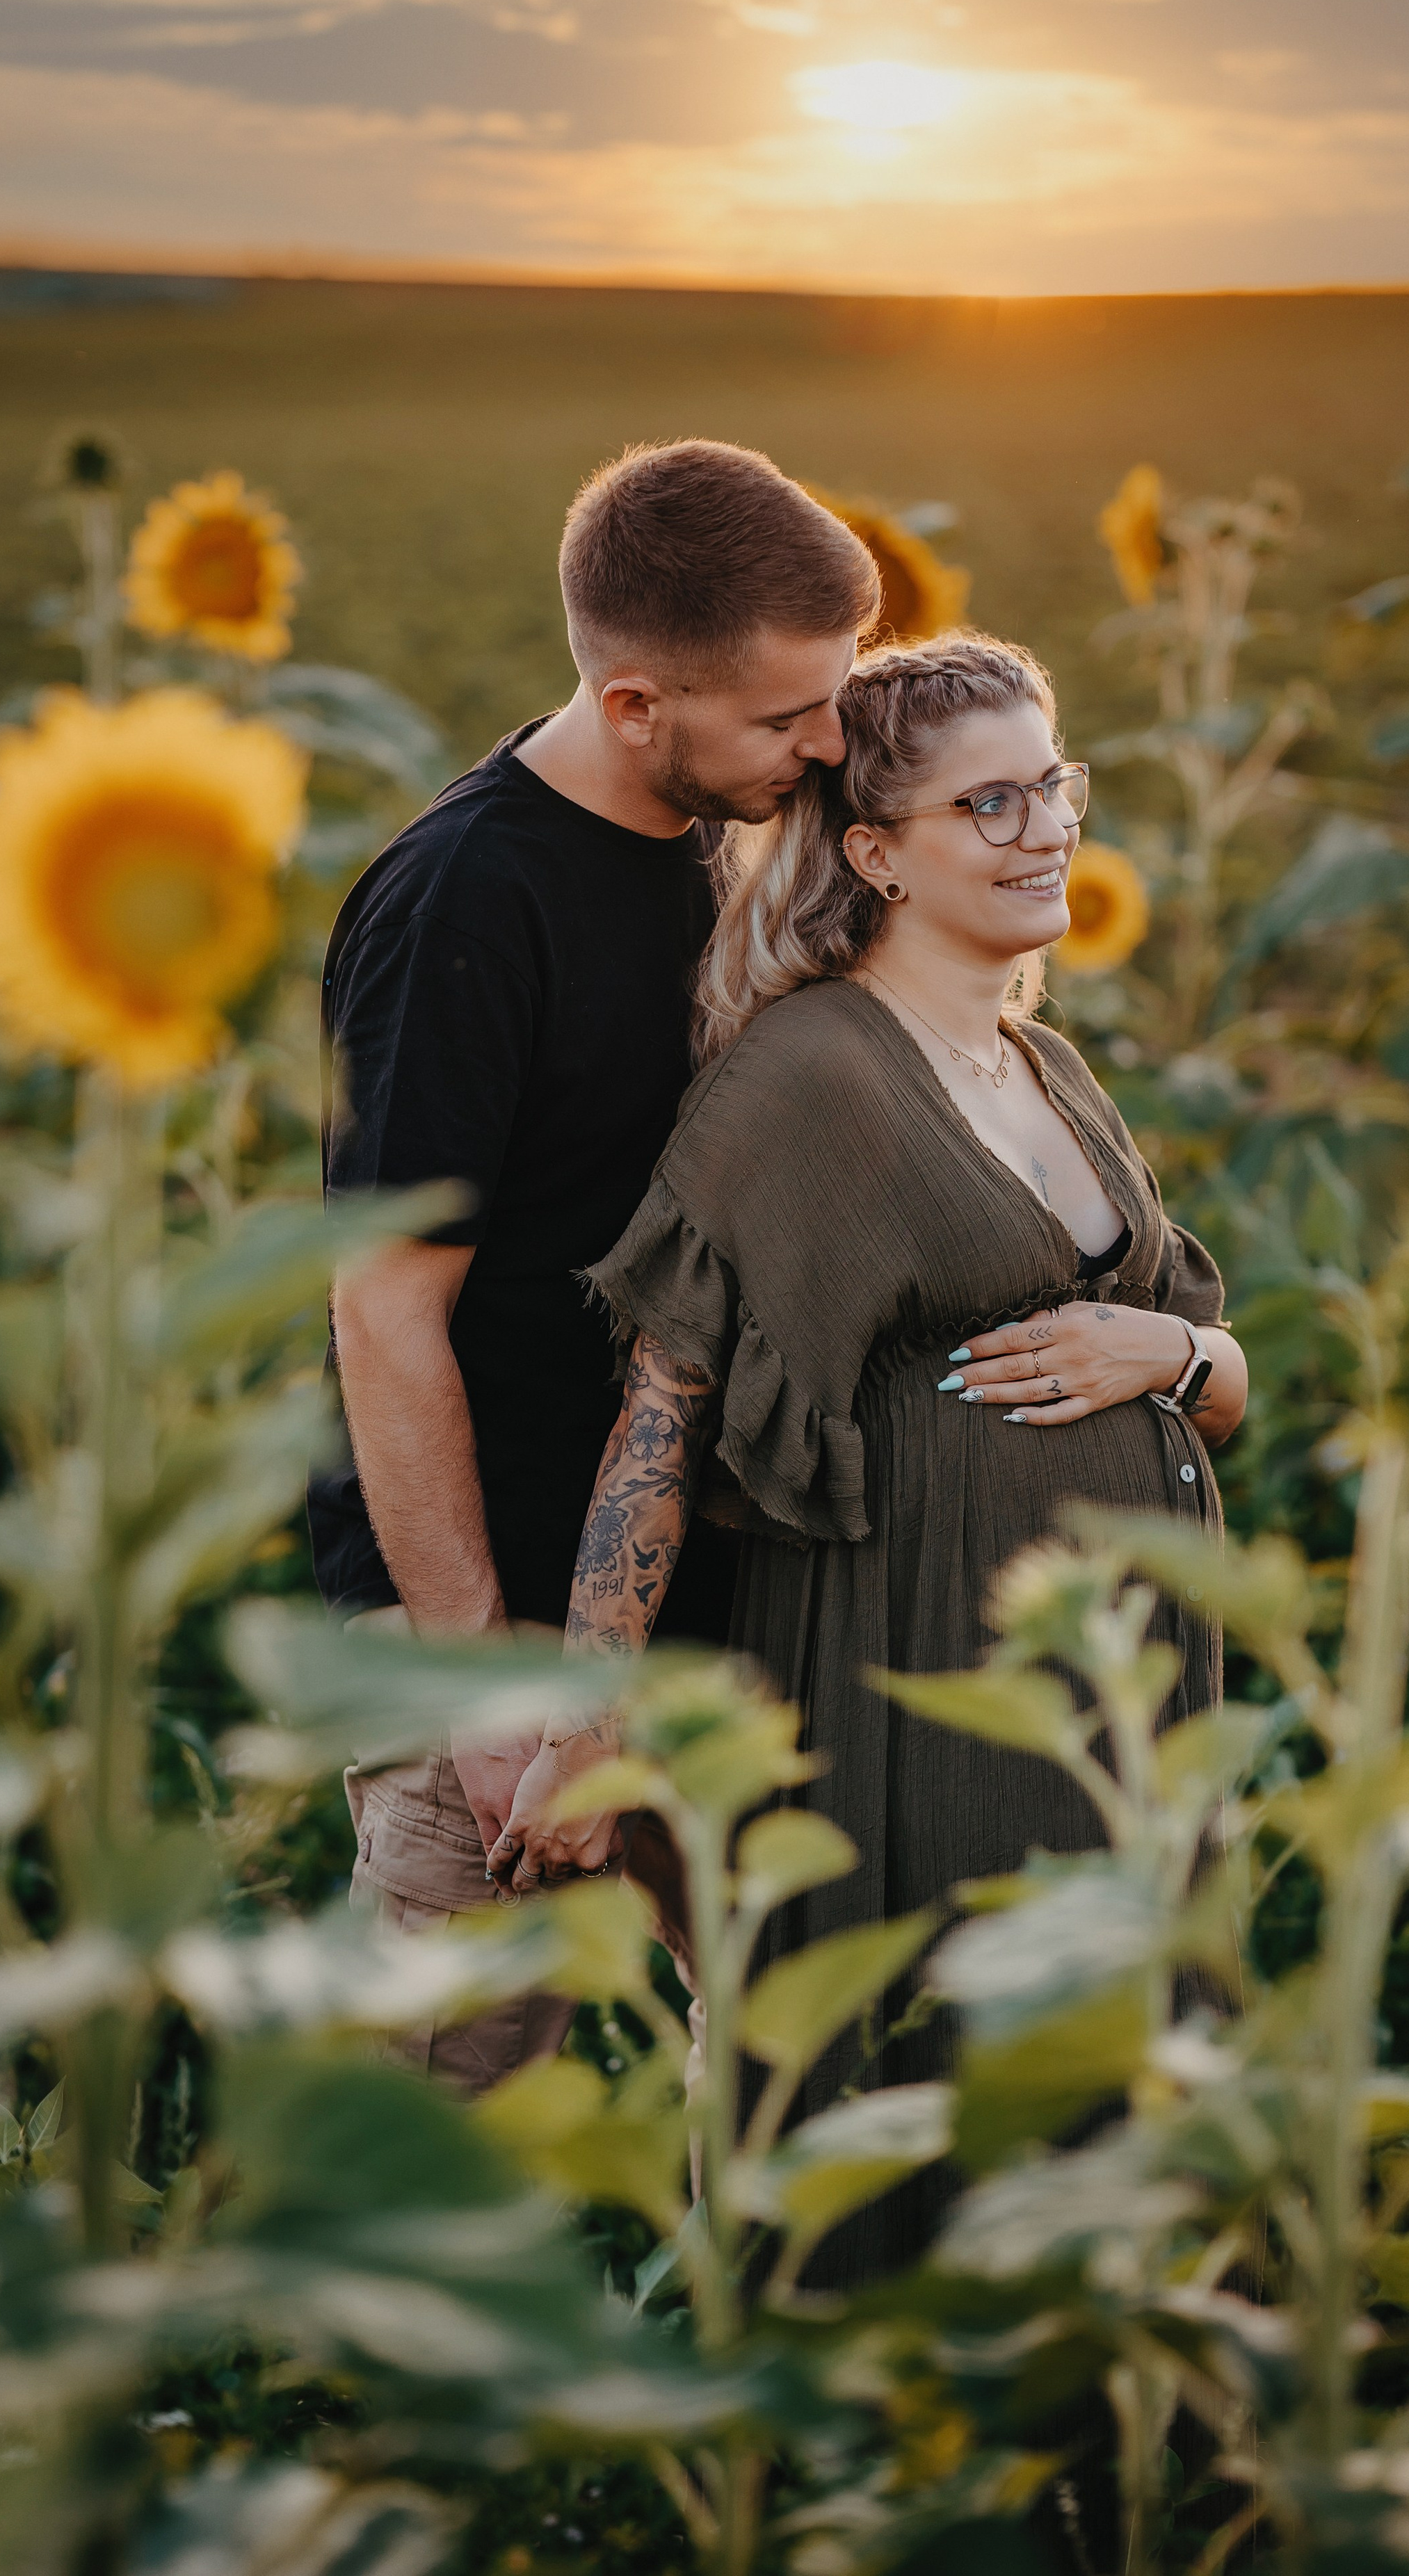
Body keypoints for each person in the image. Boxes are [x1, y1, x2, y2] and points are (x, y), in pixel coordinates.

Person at [492, 631, 1248, 2269]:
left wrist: (1182, 1353)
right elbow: (660, 1417)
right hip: (918, 1673)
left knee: (1116, 2110)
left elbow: (1212, 1383)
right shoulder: (807, 1071)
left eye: (1052, 784)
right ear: (877, 853)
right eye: (990, 803)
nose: (1047, 828)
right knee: (936, 2094)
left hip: (1113, 1701)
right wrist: (581, 1729)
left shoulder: (1049, 1070)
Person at [309, 438, 880, 2088]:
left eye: (834, 699)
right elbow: (384, 1308)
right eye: (783, 718)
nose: (824, 747)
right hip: (480, 1610)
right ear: (634, 704)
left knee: (785, 2087)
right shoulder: (465, 902)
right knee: (436, 2117)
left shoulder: (720, 832)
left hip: (685, 1605)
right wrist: (487, 1690)